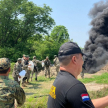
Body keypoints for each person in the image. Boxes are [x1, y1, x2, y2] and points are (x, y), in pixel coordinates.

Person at [47, 41, 108, 108]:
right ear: (74, 59)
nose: (82, 62)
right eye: (81, 58)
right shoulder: (75, 86)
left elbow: (84, 104)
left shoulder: (60, 79)